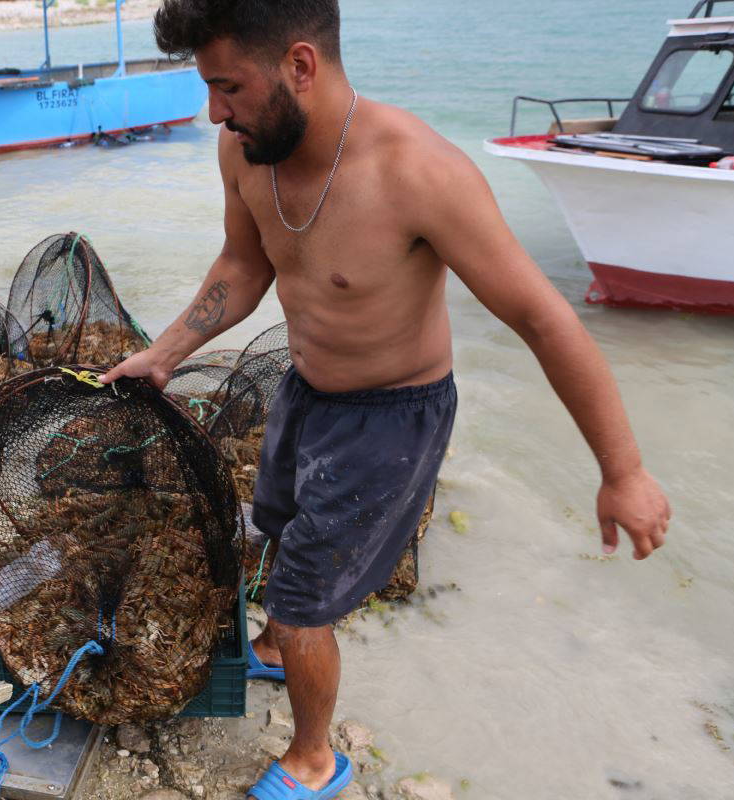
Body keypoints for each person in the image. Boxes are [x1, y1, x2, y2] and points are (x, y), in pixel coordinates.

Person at [100, 1, 672, 798]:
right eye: (210, 88)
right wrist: (161, 357)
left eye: (228, 86)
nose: (213, 112)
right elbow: (244, 261)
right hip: (305, 392)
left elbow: (544, 319)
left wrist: (625, 470)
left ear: (301, 65)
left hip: (394, 418)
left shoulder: (419, 173)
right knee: (275, 522)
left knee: (304, 605)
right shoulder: (247, 149)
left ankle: (315, 761)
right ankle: (272, 649)